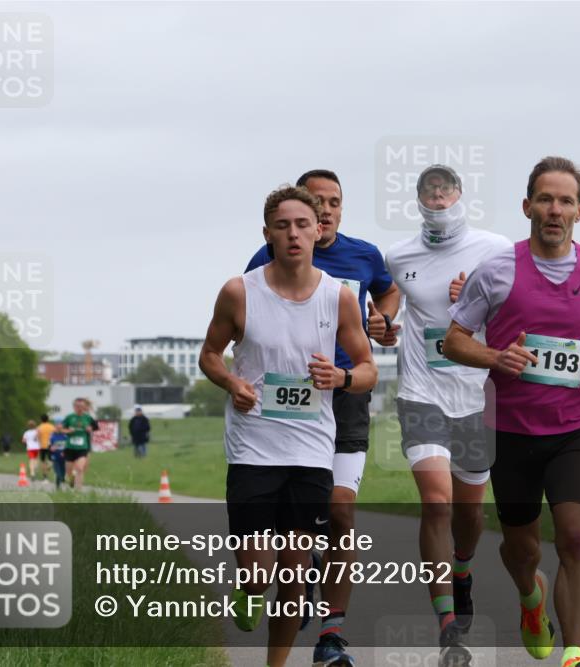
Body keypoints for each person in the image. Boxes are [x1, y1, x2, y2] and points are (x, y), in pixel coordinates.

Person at [443, 156, 580, 667]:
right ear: (527, 205)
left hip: (574, 429)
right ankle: (531, 600)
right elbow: (453, 341)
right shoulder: (497, 271)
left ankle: (574, 653)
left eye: (565, 201)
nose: (555, 210)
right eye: (546, 199)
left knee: (575, 537)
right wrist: (496, 356)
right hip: (510, 431)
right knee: (523, 551)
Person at [200, 184, 377, 667]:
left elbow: (368, 369)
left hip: (311, 451)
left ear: (319, 231)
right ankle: (248, 591)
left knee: (295, 573)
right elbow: (210, 355)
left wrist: (341, 376)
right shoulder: (240, 291)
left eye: (303, 225)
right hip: (254, 447)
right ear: (268, 234)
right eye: (283, 226)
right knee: (260, 574)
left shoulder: (338, 297)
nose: (294, 234)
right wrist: (231, 383)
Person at [244, 169, 400, 666]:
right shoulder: (269, 255)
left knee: (341, 513)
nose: (326, 210)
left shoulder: (364, 255)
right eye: (317, 201)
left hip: (346, 391)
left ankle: (332, 632)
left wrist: (383, 320)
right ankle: (299, 570)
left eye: (334, 201)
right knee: (298, 525)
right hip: (289, 400)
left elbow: (387, 293)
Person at [384, 164, 511, 664]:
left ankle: (463, 570)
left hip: (477, 395)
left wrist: (476, 302)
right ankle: (445, 623)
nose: (437, 197)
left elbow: (515, 311)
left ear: (460, 194)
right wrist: (382, 326)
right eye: (428, 191)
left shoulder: (495, 248)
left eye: (445, 189)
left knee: (468, 513)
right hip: (421, 390)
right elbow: (389, 310)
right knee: (436, 502)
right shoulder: (399, 255)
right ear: (418, 199)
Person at [60, 398, 97, 489]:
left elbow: (95, 427)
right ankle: (71, 480)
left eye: (81, 406)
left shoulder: (88, 418)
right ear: (74, 407)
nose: (79, 408)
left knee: (80, 469)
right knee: (69, 470)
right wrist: (68, 431)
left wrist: (90, 429)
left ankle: (78, 491)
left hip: (82, 447)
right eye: (77, 406)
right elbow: (61, 429)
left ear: (84, 407)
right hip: (70, 447)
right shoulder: (69, 417)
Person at [36, 414, 56, 479]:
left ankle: (45, 475)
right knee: (51, 460)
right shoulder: (52, 427)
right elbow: (54, 435)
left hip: (42, 446)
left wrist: (38, 444)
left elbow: (38, 437)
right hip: (50, 445)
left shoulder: (39, 427)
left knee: (43, 461)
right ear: (48, 419)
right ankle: (49, 466)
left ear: (41, 420)